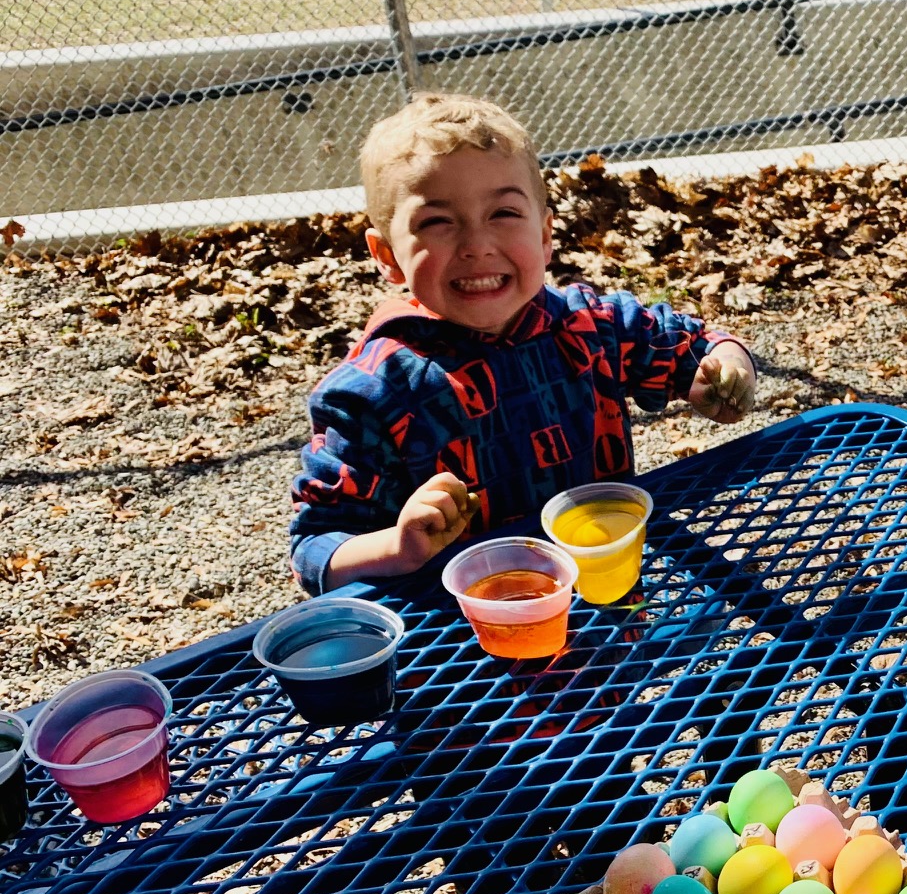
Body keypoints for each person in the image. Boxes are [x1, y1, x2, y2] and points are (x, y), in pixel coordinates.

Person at [289, 93, 756, 596]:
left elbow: (696, 347)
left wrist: (726, 371)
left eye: (504, 213)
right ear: (387, 255)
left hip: (603, 600)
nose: (477, 244)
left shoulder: (592, 326)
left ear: (546, 234)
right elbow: (315, 550)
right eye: (437, 222)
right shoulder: (371, 394)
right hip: (460, 645)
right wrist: (397, 547)